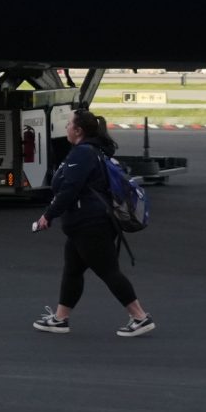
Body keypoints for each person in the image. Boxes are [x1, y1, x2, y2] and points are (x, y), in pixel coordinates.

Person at [31, 110, 154, 338]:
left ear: (78, 131)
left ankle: (140, 316)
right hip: (82, 226)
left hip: (91, 225)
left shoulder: (83, 154)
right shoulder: (90, 151)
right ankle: (60, 319)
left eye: (68, 124)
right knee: (72, 271)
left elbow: (69, 189)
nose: (66, 127)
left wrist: (48, 215)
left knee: (108, 271)